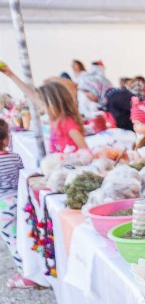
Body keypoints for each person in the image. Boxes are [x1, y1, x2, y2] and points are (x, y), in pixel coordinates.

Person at [0, 65, 87, 152]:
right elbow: (31, 95)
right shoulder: (54, 120)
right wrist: (11, 75)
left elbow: (85, 151)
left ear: (55, 104)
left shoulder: (68, 123)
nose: (41, 106)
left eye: (44, 103)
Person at [0, 119, 37, 288]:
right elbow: (22, 176)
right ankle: (33, 267)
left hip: (3, 207)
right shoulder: (15, 157)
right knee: (25, 235)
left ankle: (26, 274)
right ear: (7, 139)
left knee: (12, 240)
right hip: (19, 200)